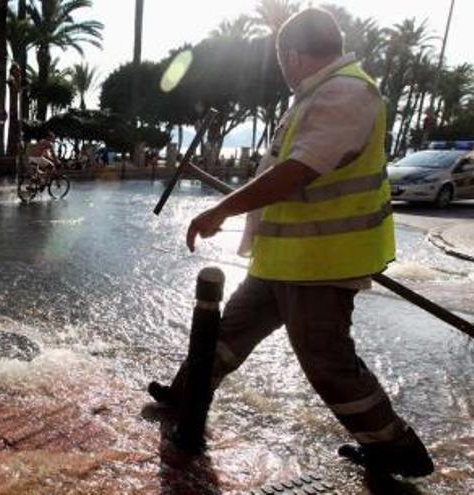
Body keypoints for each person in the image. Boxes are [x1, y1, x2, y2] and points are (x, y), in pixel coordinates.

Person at [148, 8, 433, 478]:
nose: (283, 70)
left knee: (328, 364)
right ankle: (185, 397)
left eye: (283, 60)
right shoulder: (316, 95)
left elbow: (297, 172)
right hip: (283, 260)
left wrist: (223, 209)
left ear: (294, 56)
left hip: (320, 262)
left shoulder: (347, 93)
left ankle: (394, 448)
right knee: (224, 337)